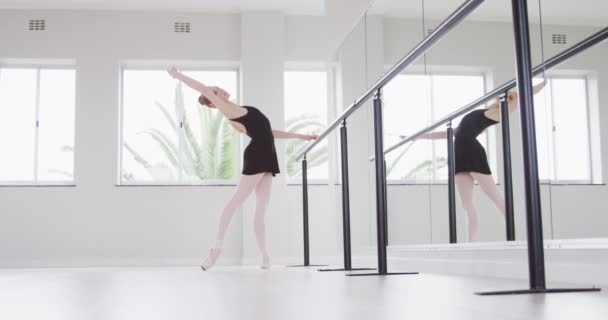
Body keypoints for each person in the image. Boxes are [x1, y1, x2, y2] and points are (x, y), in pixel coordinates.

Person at [167, 67, 318, 270]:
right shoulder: (228, 111)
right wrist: (178, 76)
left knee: (260, 211)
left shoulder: (242, 109)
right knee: (235, 202)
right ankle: (216, 249)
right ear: (213, 102)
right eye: (215, 92)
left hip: (268, 156)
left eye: (218, 88)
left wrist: (300, 136)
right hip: (256, 157)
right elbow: (201, 87)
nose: (220, 90)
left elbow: (269, 133)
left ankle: (265, 258)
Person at [407, 81, 546, 241]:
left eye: (507, 98)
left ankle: (515, 236)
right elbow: (448, 133)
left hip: (472, 153)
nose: (501, 99)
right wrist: (418, 137)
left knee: (493, 195)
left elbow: (523, 95)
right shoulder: (485, 112)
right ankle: (470, 243)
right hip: (458, 156)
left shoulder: (498, 113)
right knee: (466, 205)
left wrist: (543, 82)